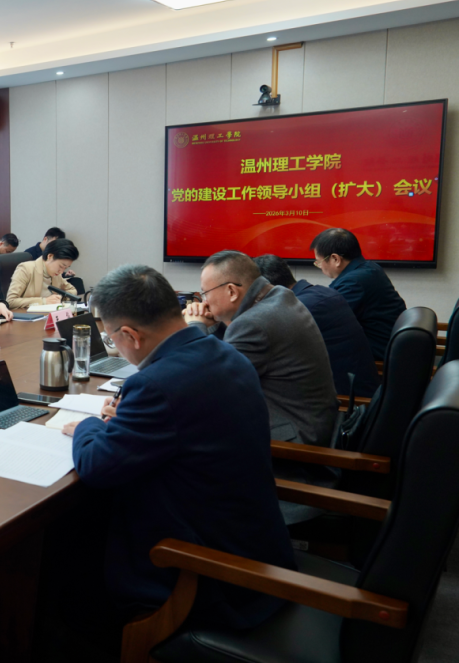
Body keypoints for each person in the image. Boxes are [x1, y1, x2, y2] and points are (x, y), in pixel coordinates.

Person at [63, 264, 295, 631]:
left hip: (211, 576)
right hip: (256, 547)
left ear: (129, 335)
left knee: (71, 547)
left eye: (112, 337)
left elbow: (95, 466)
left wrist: (87, 426)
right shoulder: (225, 353)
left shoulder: (156, 385)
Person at [183, 251, 338, 523]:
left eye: (205, 293)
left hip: (289, 454)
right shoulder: (278, 296)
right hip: (310, 425)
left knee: (181, 446)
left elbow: (204, 385)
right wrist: (216, 323)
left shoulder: (255, 323)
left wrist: (194, 328)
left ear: (232, 292)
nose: (203, 301)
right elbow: (231, 356)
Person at [255, 254, 380, 398]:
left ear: (262, 289)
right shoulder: (320, 292)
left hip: (347, 400)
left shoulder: (299, 308)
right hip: (361, 387)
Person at [310, 228, 407, 360]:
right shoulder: (370, 268)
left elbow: (328, 320)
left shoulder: (353, 283)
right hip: (389, 343)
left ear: (335, 259)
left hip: (377, 351)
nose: (320, 267)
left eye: (319, 262)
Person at [5, 239, 79, 309]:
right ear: (50, 256)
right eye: (61, 266)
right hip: (28, 316)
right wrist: (44, 301)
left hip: (49, 314)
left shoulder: (56, 274)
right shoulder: (26, 269)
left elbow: (72, 291)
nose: (61, 271)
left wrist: (59, 298)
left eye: (65, 268)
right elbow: (11, 301)